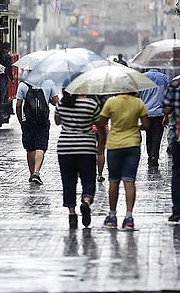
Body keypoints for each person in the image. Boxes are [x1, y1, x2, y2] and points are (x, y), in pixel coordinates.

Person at [97, 93, 149, 230]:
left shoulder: (111, 102)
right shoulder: (138, 103)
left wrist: (106, 133)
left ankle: (112, 217)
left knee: (114, 181)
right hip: (133, 145)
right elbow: (146, 124)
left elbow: (101, 122)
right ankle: (129, 217)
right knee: (129, 180)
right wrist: (136, 128)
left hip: (114, 145)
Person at [54, 90, 102, 229]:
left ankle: (72, 214)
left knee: (68, 181)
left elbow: (57, 122)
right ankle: (86, 201)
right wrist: (102, 139)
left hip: (65, 148)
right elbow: (99, 124)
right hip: (86, 147)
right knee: (88, 179)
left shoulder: (62, 103)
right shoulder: (91, 104)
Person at [15, 78, 59, 185]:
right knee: (41, 146)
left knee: (30, 148)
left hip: (28, 121)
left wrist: (21, 120)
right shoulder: (48, 83)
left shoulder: (23, 85)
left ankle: (31, 174)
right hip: (43, 121)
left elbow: (18, 105)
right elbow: (56, 102)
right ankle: (36, 172)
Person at [140, 68, 169, 167]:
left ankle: (150, 155)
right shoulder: (164, 78)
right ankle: (154, 156)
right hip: (159, 112)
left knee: (149, 135)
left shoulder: (142, 77)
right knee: (157, 136)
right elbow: (167, 95)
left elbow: (138, 95)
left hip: (146, 112)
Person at [162, 77, 180, 222]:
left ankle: (177, 210)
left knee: (178, 171)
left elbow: (166, 108)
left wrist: (167, 115)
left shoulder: (175, 83)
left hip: (179, 135)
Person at [0, 42, 14, 106]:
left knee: (2, 92)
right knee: (3, 91)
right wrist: (11, 77)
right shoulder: (7, 57)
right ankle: (2, 105)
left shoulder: (0, 55)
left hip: (0, 75)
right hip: (4, 76)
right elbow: (9, 68)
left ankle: (1, 103)